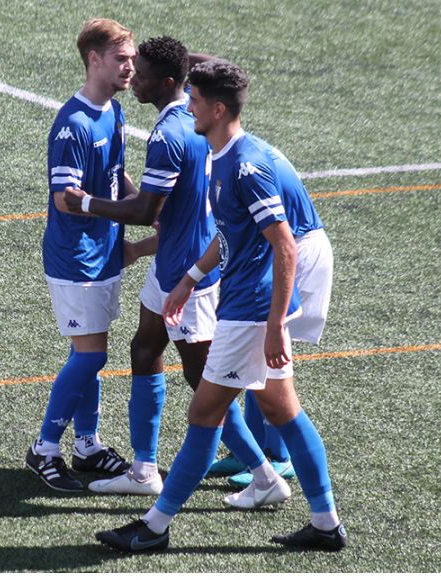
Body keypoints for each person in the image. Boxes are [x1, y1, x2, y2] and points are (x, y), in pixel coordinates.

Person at [95, 59, 347, 552]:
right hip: (249, 306)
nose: (188, 108)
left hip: (251, 312)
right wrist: (190, 278)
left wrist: (274, 325)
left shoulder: (246, 167)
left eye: (194, 101)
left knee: (204, 413)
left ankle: (155, 526)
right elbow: (228, 233)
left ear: (216, 108)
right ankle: (325, 523)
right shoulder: (220, 154)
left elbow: (286, 246)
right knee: (281, 408)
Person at [62, 37, 217, 496]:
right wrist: (138, 251)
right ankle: (144, 470)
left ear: (167, 82)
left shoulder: (169, 134)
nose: (134, 78)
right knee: (144, 350)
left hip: (186, 273)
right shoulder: (195, 110)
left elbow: (147, 210)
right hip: (172, 261)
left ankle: (265, 472)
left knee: (204, 381)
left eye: (143, 72)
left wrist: (86, 202)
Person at [25, 18, 137, 492]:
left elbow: (117, 176)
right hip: (76, 257)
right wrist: (129, 214)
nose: (130, 67)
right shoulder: (72, 123)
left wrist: (152, 207)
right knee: (90, 357)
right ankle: (44, 447)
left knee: (92, 352)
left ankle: (87, 444)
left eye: (132, 58)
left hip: (104, 250)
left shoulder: (113, 112)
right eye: (121, 59)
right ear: (94, 59)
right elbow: (65, 199)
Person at [210, 136, 334, 490]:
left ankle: (277, 458)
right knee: (257, 359)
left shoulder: (242, 161)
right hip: (290, 248)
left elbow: (279, 241)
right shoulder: (235, 151)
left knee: (269, 359)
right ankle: (257, 448)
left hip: (298, 250)